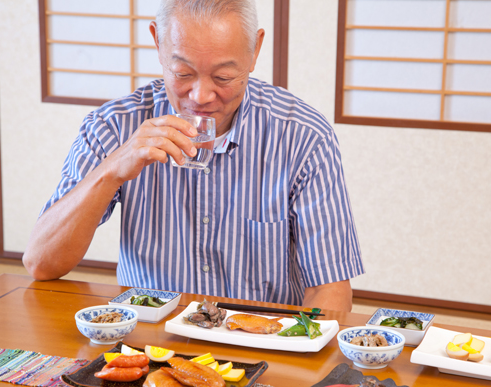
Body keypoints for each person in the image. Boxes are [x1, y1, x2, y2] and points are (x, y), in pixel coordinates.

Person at [22, 0, 364, 312]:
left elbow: (329, 291)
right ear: (157, 42)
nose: (200, 96)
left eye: (223, 77)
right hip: (150, 342)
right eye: (182, 73)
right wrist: (112, 169)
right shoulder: (113, 126)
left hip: (261, 341)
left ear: (255, 49)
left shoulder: (303, 136)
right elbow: (41, 263)